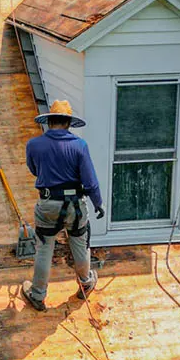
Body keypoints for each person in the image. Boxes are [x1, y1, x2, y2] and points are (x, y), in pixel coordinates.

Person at [21, 100, 104, 311]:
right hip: (75, 206)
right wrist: (98, 203)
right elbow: (91, 182)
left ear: (49, 122)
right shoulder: (79, 146)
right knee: (79, 244)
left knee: (44, 248)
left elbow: (34, 170)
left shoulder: (34, 145)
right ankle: (86, 282)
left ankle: (38, 294)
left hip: (48, 204)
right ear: (68, 124)